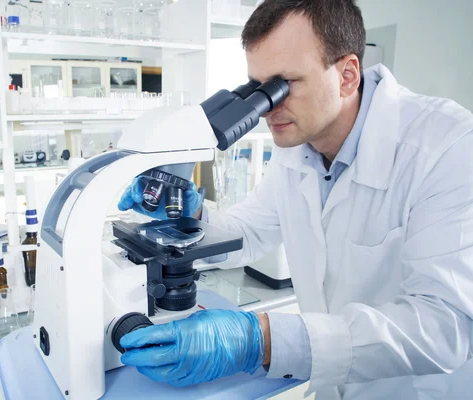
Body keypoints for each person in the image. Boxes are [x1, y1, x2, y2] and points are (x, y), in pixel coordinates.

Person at [116, 0, 473, 398]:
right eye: (258, 88)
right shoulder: (296, 148)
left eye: (284, 84)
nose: (269, 108)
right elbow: (248, 233)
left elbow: (445, 327)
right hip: (330, 387)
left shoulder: (448, 148)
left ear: (347, 75)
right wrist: (188, 214)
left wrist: (262, 340)